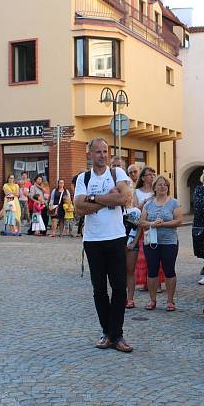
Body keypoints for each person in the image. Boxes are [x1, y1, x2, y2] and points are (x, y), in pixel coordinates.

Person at [74, 137, 134, 353]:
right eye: (98, 152)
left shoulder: (118, 173)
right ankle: (107, 332)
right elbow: (78, 208)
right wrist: (106, 198)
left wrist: (93, 199)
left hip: (116, 237)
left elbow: (124, 198)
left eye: (105, 151)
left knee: (119, 287)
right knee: (99, 288)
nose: (102, 155)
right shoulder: (84, 177)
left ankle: (116, 334)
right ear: (90, 154)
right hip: (93, 240)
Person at [139, 175, 182, 311]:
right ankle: (152, 300)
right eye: (160, 184)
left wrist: (163, 224)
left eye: (165, 185)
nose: (163, 187)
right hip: (151, 242)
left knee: (169, 270)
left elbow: (178, 220)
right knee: (152, 270)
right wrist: (152, 223)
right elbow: (141, 222)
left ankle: (170, 300)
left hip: (169, 242)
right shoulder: (148, 204)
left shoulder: (174, 203)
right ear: (154, 187)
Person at [129, 166, 156, 301]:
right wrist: (145, 201)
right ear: (143, 178)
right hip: (141, 225)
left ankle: (153, 282)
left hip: (154, 225)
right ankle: (144, 283)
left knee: (153, 254)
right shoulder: (137, 192)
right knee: (142, 256)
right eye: (149, 174)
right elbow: (134, 209)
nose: (152, 177)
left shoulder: (157, 190)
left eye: (153, 174)